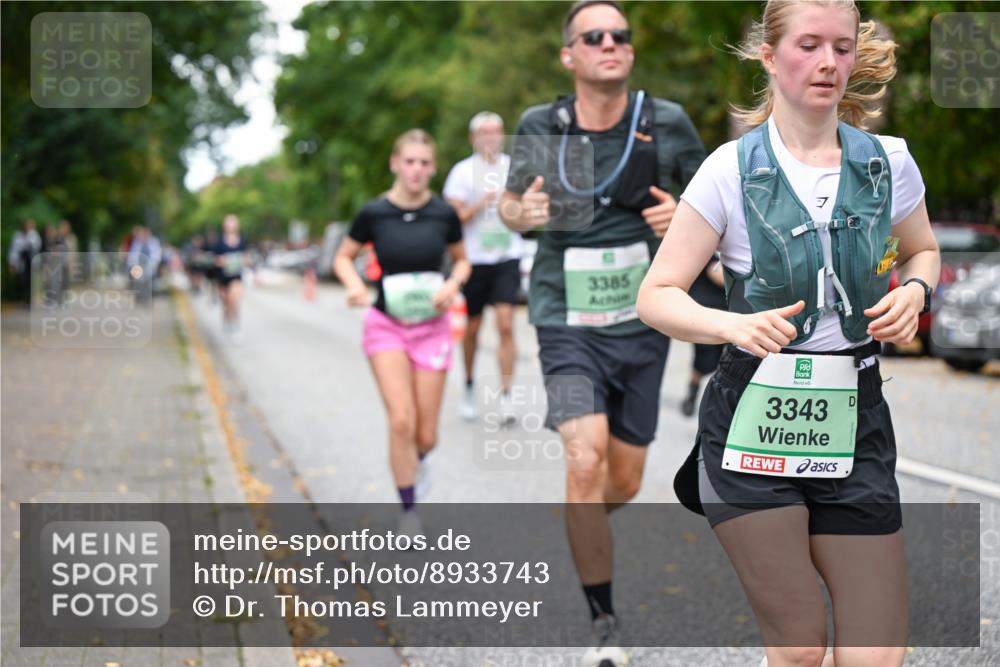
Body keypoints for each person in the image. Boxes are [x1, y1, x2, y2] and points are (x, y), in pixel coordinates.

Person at [636, 2, 940, 666]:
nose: (828, 62)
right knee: (801, 643)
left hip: (856, 419)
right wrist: (730, 322)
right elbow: (655, 295)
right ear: (771, 56)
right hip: (751, 425)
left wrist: (916, 289)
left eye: (841, 46)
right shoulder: (728, 170)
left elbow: (922, 251)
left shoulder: (888, 162)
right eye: (809, 45)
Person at [499, 2, 705, 664]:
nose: (610, 43)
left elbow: (714, 209)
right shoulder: (543, 124)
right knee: (582, 461)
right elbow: (511, 207)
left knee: (625, 479)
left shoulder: (666, 122)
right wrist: (519, 211)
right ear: (570, 55)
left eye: (620, 35)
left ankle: (578, 523)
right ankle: (604, 625)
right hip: (562, 321)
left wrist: (683, 216)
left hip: (644, 320)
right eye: (594, 36)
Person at [334, 129, 471, 540]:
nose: (416, 169)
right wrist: (354, 285)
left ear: (433, 168)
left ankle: (420, 460)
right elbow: (344, 256)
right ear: (396, 163)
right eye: (409, 161)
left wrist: (453, 284)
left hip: (431, 328)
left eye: (424, 162)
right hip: (386, 325)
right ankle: (408, 508)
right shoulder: (374, 213)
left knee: (425, 434)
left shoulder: (444, 214)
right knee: (401, 420)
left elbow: (462, 262)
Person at [443, 111, 522, 422]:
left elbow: (528, 210)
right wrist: (482, 203)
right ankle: (469, 384)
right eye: (484, 132)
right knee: (473, 328)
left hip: (508, 255)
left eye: (496, 131)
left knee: (505, 324)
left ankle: (506, 396)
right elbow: (453, 220)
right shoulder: (462, 172)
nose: (490, 137)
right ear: (473, 138)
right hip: (474, 259)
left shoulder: (513, 168)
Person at [680, 257, 726, 417]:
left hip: (735, 308)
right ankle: (693, 388)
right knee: (704, 360)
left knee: (731, 361)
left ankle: (721, 403)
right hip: (707, 307)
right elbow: (715, 271)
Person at [212, 214, 249, 340]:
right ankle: (227, 319)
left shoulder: (242, 241)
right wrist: (223, 261)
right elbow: (215, 259)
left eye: (233, 223)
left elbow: (247, 257)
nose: (231, 226)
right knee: (226, 302)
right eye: (229, 223)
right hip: (222, 276)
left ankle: (236, 326)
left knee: (235, 300)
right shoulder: (219, 242)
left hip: (236, 276)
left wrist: (243, 260)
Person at [8, 219, 42, 305]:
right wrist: (12, 264)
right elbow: (14, 250)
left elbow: (37, 247)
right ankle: (22, 299)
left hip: (31, 263)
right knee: (22, 281)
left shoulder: (34, 235)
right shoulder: (17, 236)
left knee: (31, 281)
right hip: (22, 262)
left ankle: (30, 300)